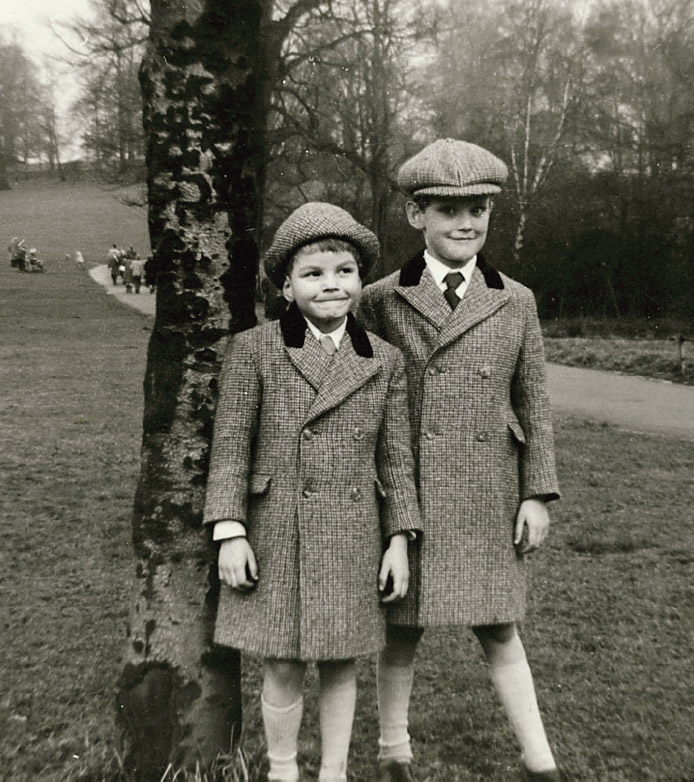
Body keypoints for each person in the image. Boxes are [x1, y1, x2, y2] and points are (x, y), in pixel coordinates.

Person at [356, 138, 562, 781]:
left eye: (478, 208)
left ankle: (541, 760)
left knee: (499, 626)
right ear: (418, 215)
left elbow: (535, 402)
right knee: (402, 628)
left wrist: (536, 493)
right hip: (411, 489)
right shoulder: (382, 300)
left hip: (490, 488)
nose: (466, 222)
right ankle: (394, 751)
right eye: (448, 210)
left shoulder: (515, 299)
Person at [203, 201, 422, 782]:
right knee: (280, 660)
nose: (331, 285)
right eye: (314, 273)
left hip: (353, 531)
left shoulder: (384, 360)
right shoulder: (255, 349)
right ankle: (281, 771)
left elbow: (396, 458)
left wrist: (400, 539)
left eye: (344, 271)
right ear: (286, 286)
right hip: (276, 528)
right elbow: (230, 447)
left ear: (360, 279)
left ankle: (333, 771)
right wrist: (230, 530)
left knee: (342, 660)